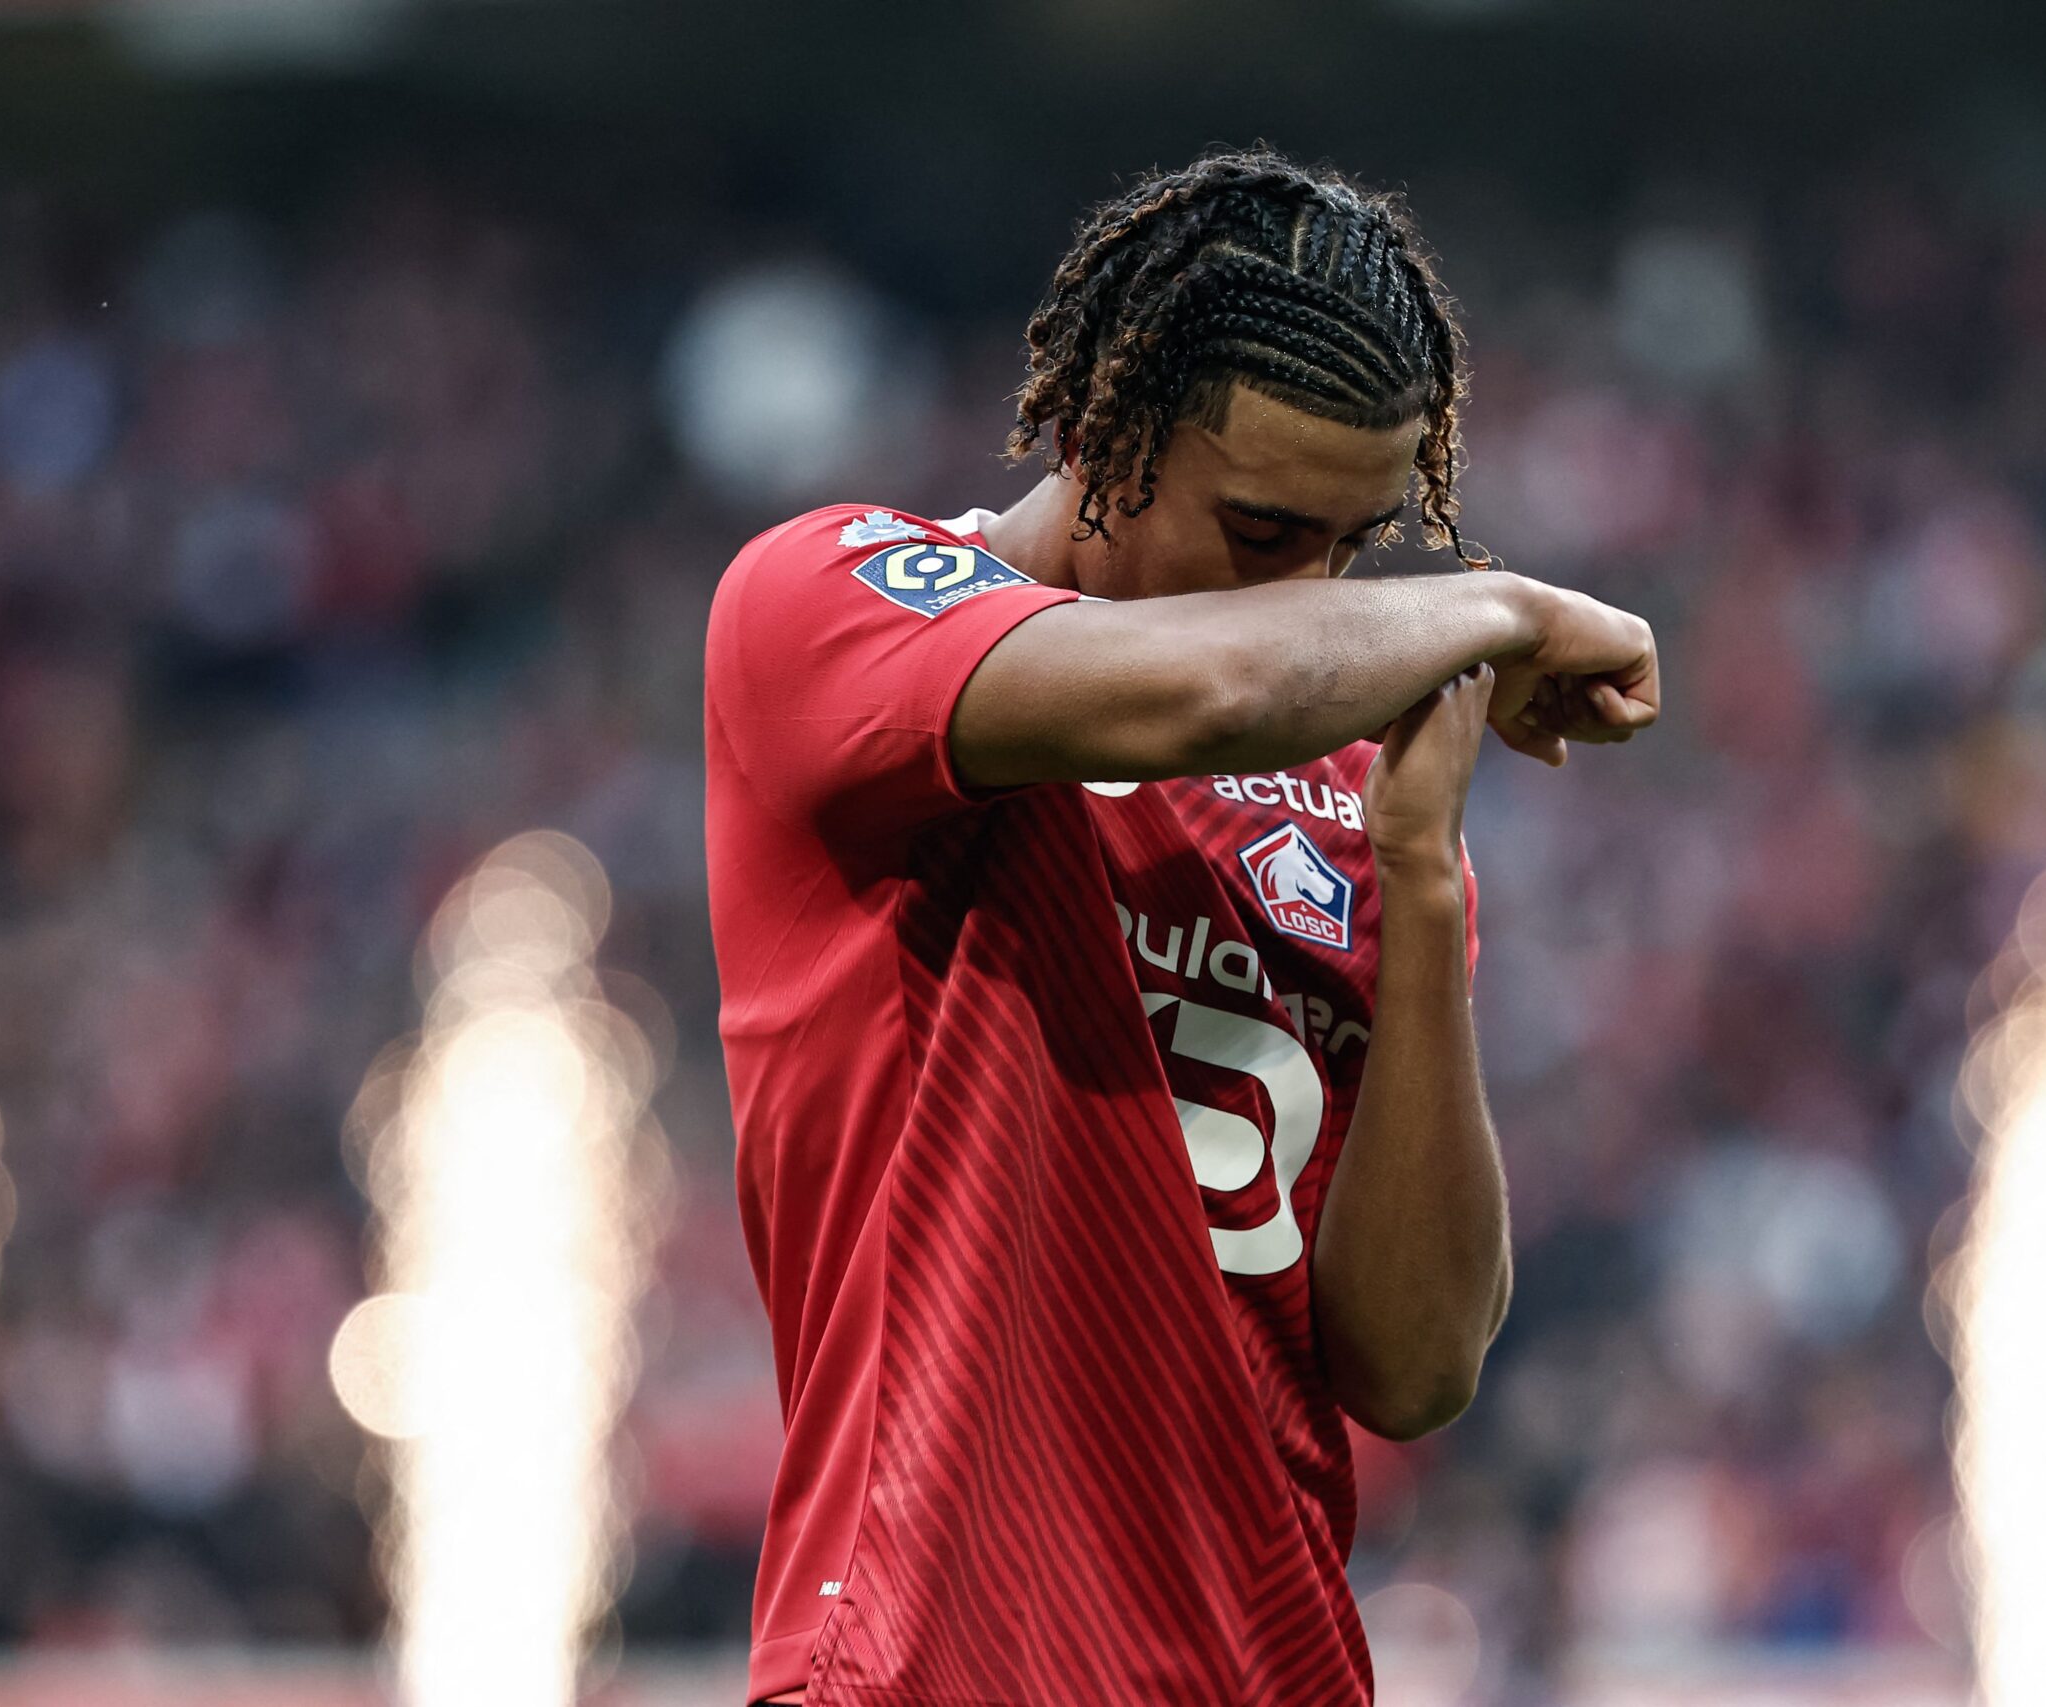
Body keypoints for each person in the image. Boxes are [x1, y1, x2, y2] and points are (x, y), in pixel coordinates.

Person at [703, 149, 1659, 1705]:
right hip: (931, 1664)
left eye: (1353, 544)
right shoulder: (832, 604)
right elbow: (1206, 689)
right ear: (1099, 435)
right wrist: (1509, 610)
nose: (1312, 589)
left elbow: (1415, 1372)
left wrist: (1423, 888)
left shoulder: (1355, 808)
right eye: (1263, 532)